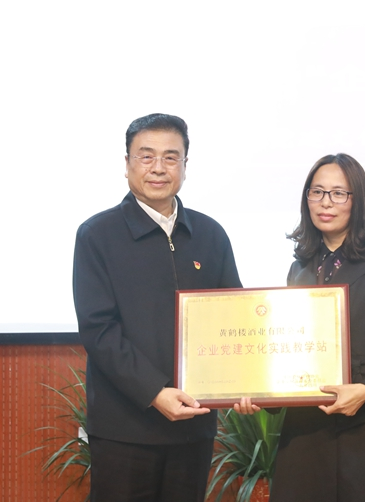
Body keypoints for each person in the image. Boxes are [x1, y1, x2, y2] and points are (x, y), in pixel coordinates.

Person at [236, 153, 365, 501]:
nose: (325, 202)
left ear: (358, 201)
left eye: (338, 193)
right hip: (307, 427)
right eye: (317, 192)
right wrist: (264, 396)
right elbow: (289, 347)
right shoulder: (300, 268)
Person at [73, 113, 242, 501]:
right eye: (146, 156)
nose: (158, 168)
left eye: (171, 157)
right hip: (124, 428)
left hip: (193, 424)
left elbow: (234, 317)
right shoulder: (97, 235)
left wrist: (247, 386)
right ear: (127, 163)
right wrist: (155, 392)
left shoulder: (210, 235)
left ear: (185, 164)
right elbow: (99, 331)